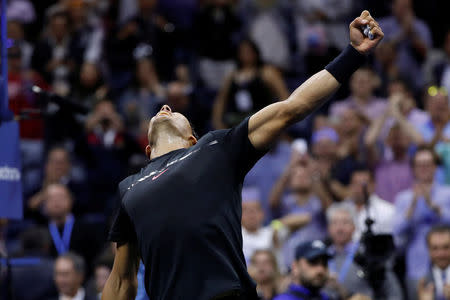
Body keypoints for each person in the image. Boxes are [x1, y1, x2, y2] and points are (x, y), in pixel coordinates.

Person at [102, 10, 384, 300]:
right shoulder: (129, 187)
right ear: (148, 151)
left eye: (174, 111)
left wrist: (352, 54)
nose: (165, 109)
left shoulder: (214, 148)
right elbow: (122, 281)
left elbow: (292, 107)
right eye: (161, 111)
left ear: (191, 139)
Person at [393, 147, 450, 294]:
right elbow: (396, 231)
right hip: (416, 266)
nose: (423, 168)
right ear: (413, 168)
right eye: (419, 165)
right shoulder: (403, 198)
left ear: (435, 167)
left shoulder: (447, 193)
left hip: (446, 263)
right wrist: (412, 205)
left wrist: (433, 206)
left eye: (427, 164)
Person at [326, 202, 403, 299]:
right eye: (335, 223)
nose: (339, 228)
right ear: (328, 228)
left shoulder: (368, 254)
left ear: (354, 227)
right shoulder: (321, 257)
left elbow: (394, 293)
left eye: (345, 222)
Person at [344, 165, 395, 240]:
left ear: (373, 185)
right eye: (355, 183)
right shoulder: (342, 208)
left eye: (363, 184)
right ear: (350, 185)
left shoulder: (388, 211)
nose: (359, 188)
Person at [417, 225, 450, 300]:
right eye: (435, 248)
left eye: (446, 247)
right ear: (428, 250)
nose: (441, 254)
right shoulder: (419, 283)